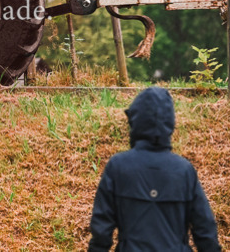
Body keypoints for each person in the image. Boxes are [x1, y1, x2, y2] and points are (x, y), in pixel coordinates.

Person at [89, 87, 220, 251]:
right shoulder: (184, 170)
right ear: (170, 123)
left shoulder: (118, 167)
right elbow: (205, 230)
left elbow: (101, 230)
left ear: (135, 122)